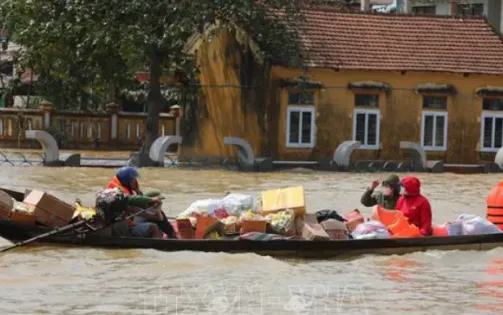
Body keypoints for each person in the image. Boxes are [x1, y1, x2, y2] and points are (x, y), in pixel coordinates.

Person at [106, 166, 176, 238]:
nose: (136, 181)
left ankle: (171, 234)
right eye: (134, 180)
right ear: (127, 181)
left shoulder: (124, 187)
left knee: (157, 214)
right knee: (154, 226)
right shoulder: (116, 191)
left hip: (128, 219)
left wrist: (137, 190)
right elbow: (130, 201)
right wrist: (151, 201)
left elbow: (136, 203)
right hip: (123, 224)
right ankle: (168, 238)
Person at [94, 187, 163, 238]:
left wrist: (157, 208)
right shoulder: (127, 206)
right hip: (123, 229)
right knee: (154, 227)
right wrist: (157, 205)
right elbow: (158, 218)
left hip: (119, 227)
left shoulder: (126, 206)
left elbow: (158, 218)